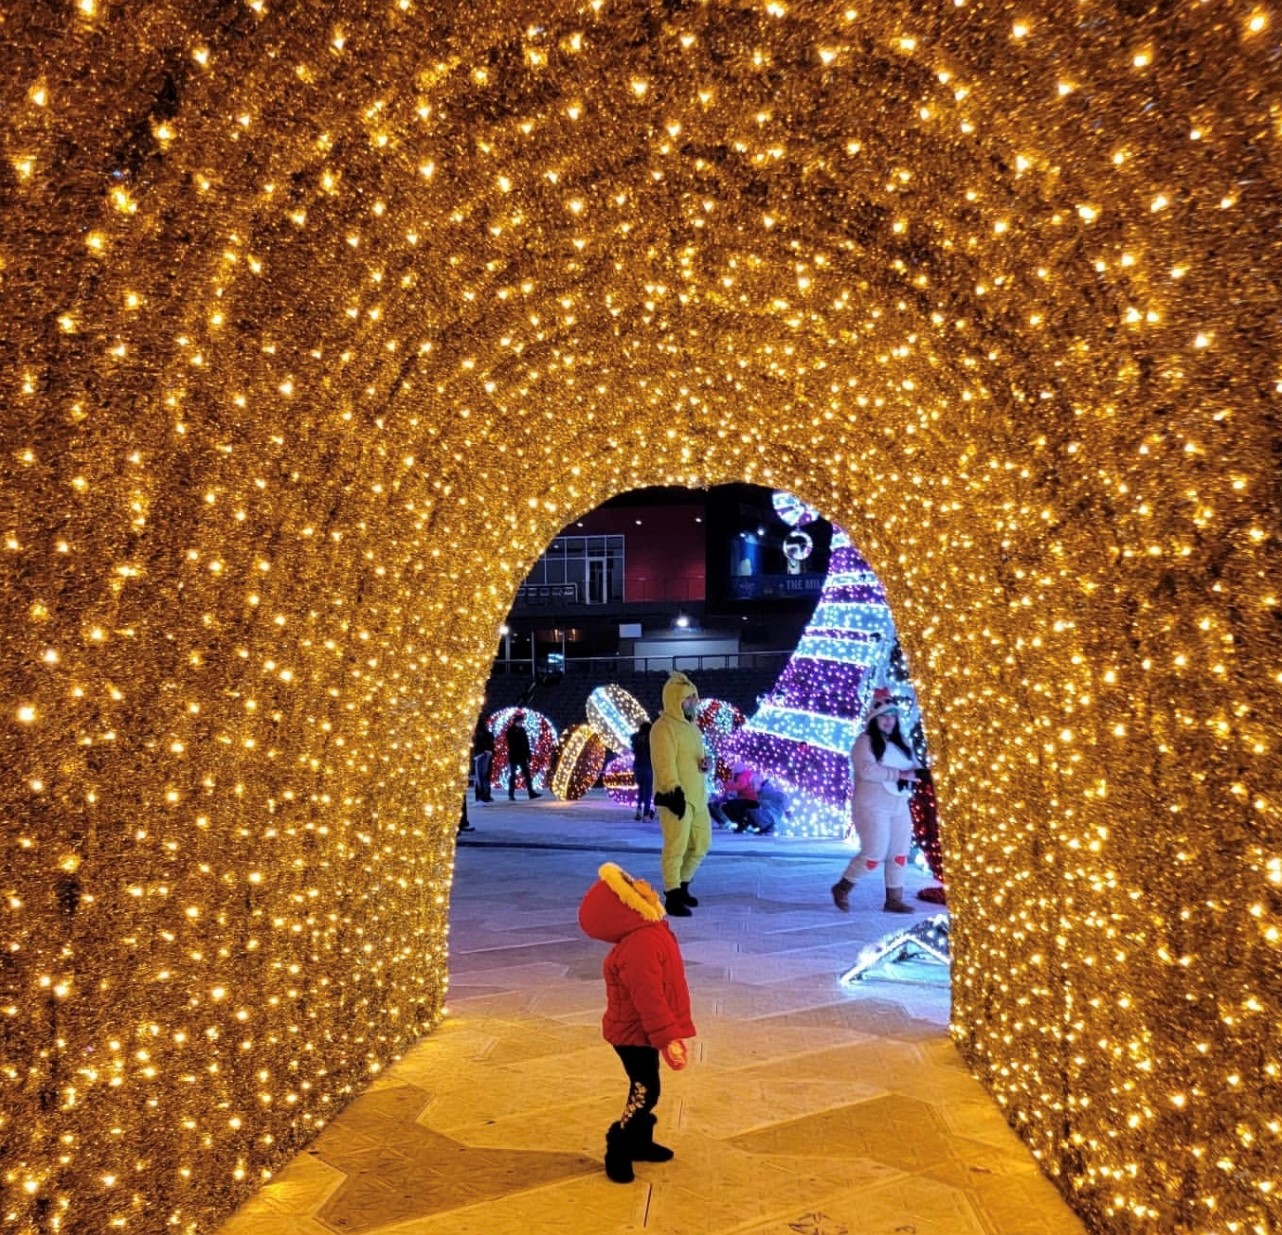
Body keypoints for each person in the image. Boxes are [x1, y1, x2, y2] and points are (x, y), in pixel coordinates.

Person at [578, 861, 695, 1184]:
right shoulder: (640, 944)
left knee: (646, 1086)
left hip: (641, 1030)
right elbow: (648, 998)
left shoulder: (650, 933)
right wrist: (667, 1037)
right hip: (633, 1033)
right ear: (626, 908)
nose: (645, 887)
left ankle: (640, 1141)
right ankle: (619, 1146)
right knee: (645, 1090)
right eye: (634, 890)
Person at [831, 688, 920, 914]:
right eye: (884, 716)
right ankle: (843, 887)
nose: (889, 721)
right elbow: (867, 770)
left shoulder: (902, 744)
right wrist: (899, 775)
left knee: (899, 853)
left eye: (892, 716)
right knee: (874, 854)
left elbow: (914, 766)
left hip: (899, 804)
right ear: (874, 719)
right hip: (872, 805)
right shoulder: (865, 742)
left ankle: (894, 898)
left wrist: (921, 773)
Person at [650, 672, 712, 916]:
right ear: (676, 699)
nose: (694, 702)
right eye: (689, 698)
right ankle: (672, 893)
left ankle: (683, 884)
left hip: (698, 797)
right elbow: (664, 764)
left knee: (701, 844)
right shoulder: (662, 728)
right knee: (675, 847)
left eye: (695, 698)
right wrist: (673, 790)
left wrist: (705, 765)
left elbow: (693, 760)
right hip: (676, 798)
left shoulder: (693, 728)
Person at [504, 711, 541, 801]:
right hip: (514, 756)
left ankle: (531, 793)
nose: (521, 723)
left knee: (527, 775)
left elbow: (526, 743)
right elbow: (511, 743)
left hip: (522, 756)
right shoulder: (510, 731)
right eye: (520, 722)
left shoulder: (522, 730)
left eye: (521, 722)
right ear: (515, 722)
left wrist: (528, 755)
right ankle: (511, 794)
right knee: (513, 775)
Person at [630, 721, 655, 822]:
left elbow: (634, 750)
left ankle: (638, 809)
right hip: (648, 767)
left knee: (640, 790)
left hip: (637, 767)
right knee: (648, 792)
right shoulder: (651, 739)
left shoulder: (636, 739)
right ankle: (646, 814)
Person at [472, 716, 494, 803]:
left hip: (484, 754)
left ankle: (485, 794)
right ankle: (482, 795)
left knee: (484, 775)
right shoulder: (481, 734)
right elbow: (483, 744)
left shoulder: (484, 733)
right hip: (482, 754)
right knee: (482, 776)